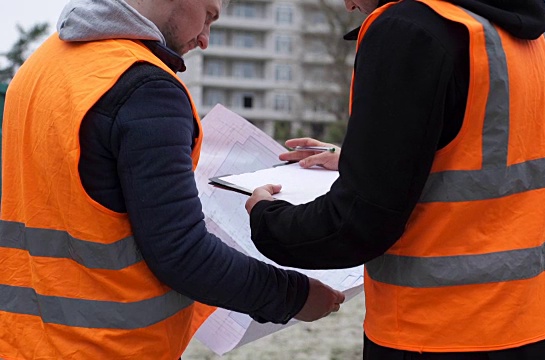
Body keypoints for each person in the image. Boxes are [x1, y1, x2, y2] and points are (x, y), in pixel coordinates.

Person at [0, 0, 345, 358]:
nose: (205, 38)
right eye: (209, 16)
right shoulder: (145, 88)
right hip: (112, 347)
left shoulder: (37, 68)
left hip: (22, 342)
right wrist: (297, 295)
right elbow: (183, 254)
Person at [245, 0, 545, 359]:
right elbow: (491, 165)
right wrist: (363, 160)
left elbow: (354, 225)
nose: (348, 4)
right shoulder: (530, 38)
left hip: (438, 336)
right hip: (543, 332)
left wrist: (265, 217)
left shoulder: (411, 29)